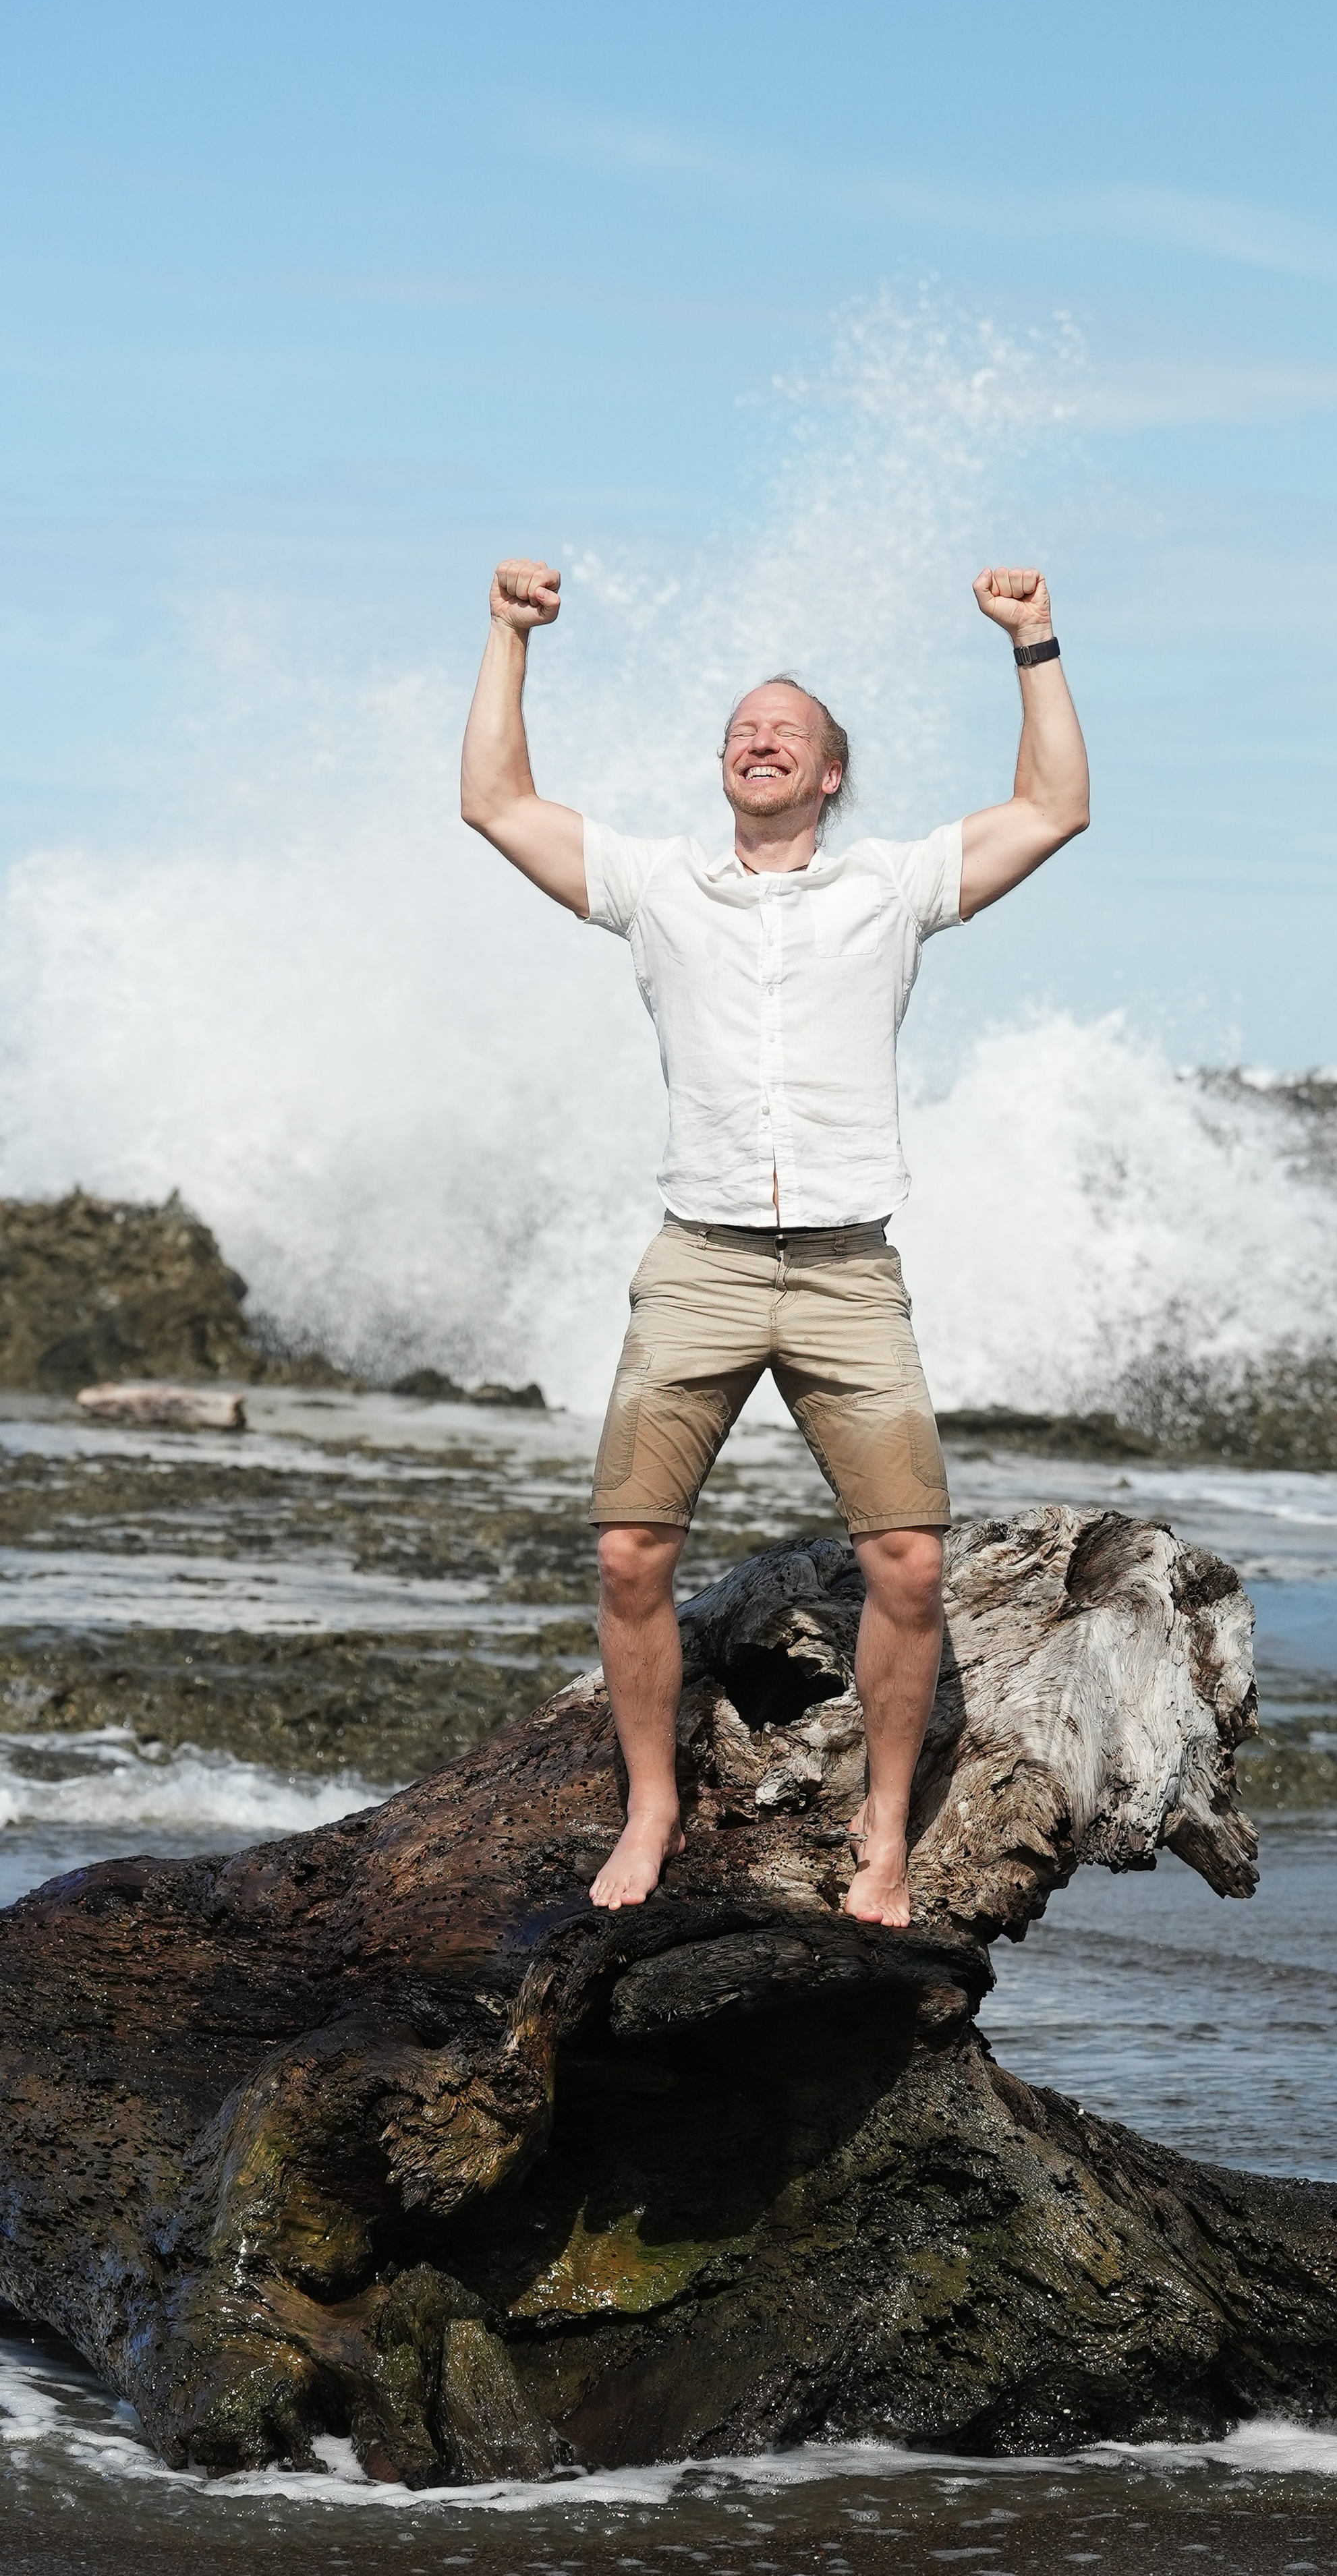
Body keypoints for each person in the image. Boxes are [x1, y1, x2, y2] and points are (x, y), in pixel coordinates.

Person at [460, 558, 1089, 1926]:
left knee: (908, 1564)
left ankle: (879, 1833)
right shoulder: (656, 887)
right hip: (700, 1259)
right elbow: (493, 802)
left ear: (828, 776)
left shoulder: (894, 886)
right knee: (631, 1552)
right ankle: (650, 1805)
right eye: (741, 730)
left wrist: (1032, 644)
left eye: (784, 732)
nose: (757, 741)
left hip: (846, 1269)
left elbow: (1054, 807)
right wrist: (509, 637)